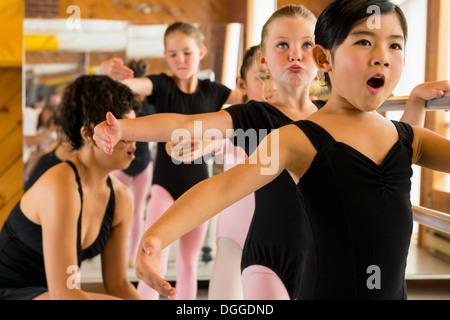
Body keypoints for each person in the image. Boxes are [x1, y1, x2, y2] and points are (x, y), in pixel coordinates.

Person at [94, 4, 449, 299]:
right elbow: (218, 180)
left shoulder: (408, 137)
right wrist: (155, 235)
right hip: (275, 258)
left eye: (395, 46)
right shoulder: (291, 136)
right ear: (325, 58)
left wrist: (417, 98)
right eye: (364, 42)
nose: (382, 58)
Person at [100, 21, 243, 300]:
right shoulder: (161, 85)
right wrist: (106, 69)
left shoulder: (214, 91)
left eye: (187, 52)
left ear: (200, 52)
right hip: (164, 186)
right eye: (173, 53)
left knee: (188, 263)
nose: (180, 60)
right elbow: (123, 85)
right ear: (165, 56)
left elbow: (254, 100)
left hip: (200, 190)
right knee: (154, 260)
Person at [0, 75, 142, 300]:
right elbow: (64, 294)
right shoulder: (61, 186)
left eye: (135, 129)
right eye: (122, 132)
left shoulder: (122, 198)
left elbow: (118, 284)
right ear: (88, 134)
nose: (134, 141)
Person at [110, 59, 156, 268]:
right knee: (120, 208)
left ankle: (129, 256)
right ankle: (117, 254)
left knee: (136, 210)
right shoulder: (122, 103)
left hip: (140, 162)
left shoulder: (148, 103)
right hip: (126, 161)